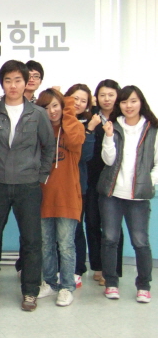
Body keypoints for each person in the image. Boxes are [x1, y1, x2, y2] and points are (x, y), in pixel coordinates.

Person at [0, 60, 54, 311]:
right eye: (8, 80)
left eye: (18, 80)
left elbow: (49, 146)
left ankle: (30, 291)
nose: (13, 85)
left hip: (28, 185)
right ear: (2, 83)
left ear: (26, 83)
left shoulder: (37, 113)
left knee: (31, 240)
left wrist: (41, 176)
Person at [99, 86, 156, 303]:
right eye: (124, 102)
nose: (128, 106)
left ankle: (144, 285)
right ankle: (111, 283)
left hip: (138, 197)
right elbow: (108, 160)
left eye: (133, 101)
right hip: (112, 194)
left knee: (140, 241)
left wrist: (149, 182)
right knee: (110, 239)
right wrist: (108, 136)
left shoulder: (152, 129)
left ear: (141, 102)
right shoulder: (114, 126)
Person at [35, 89, 85, 307]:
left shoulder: (74, 128)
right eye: (46, 108)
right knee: (45, 244)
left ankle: (66, 287)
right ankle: (49, 282)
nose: (52, 111)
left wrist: (68, 108)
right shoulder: (39, 131)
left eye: (55, 105)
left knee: (65, 245)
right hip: (43, 195)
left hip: (67, 196)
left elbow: (75, 140)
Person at [86, 79, 124, 286]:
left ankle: (113, 270)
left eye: (110, 95)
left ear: (117, 96)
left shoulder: (122, 119)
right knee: (92, 222)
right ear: (96, 98)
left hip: (115, 179)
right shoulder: (91, 117)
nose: (106, 99)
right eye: (102, 95)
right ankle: (98, 267)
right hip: (92, 178)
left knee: (113, 227)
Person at [64, 84, 99, 288]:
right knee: (54, 230)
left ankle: (77, 269)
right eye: (74, 98)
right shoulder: (57, 120)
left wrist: (90, 129)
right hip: (56, 184)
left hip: (78, 185)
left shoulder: (88, 123)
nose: (78, 103)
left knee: (76, 229)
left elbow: (84, 156)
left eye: (83, 100)